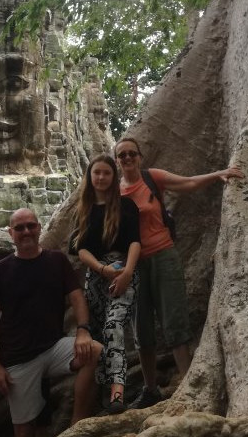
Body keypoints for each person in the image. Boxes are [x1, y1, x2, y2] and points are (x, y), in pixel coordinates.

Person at [115, 137, 245, 409]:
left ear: (139, 157)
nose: (127, 159)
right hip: (133, 265)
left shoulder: (152, 178)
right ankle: (150, 390)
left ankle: (188, 384)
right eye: (122, 156)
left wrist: (219, 174)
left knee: (174, 318)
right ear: (117, 161)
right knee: (141, 328)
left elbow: (187, 183)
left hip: (163, 256)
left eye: (131, 154)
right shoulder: (113, 194)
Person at [0, 208, 103, 437]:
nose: (26, 231)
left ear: (39, 228)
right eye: (19, 228)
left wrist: (83, 331)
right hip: (18, 359)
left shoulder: (56, 260)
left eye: (31, 226)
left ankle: (78, 424)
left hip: (53, 348)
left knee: (94, 351)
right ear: (11, 233)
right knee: (25, 430)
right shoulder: (1, 270)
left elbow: (77, 296)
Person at [70, 154, 141, 414]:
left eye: (106, 173)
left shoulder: (126, 205)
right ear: (90, 176)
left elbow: (135, 242)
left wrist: (126, 273)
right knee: (98, 334)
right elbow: (80, 249)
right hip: (96, 277)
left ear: (114, 177)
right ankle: (101, 396)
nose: (100, 177)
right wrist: (101, 269)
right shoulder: (83, 209)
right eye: (96, 173)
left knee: (114, 327)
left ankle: (117, 392)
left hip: (123, 273)